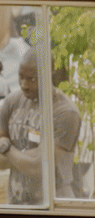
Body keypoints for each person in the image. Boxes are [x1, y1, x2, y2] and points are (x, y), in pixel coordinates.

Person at [0, 46, 81, 204]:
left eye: (31, 79)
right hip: (17, 207)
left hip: (53, 207)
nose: (24, 84)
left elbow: (39, 168)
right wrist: (29, 155)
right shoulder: (11, 103)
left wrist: (7, 148)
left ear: (49, 75)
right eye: (21, 77)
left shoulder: (65, 112)